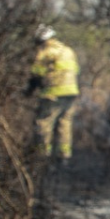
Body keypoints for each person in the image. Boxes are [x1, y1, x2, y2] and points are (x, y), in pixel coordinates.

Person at [28, 24, 80, 164]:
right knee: (65, 123)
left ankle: (41, 154)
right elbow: (76, 71)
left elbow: (36, 75)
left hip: (53, 93)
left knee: (44, 123)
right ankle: (64, 156)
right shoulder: (68, 51)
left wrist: (29, 90)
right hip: (71, 93)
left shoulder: (45, 52)